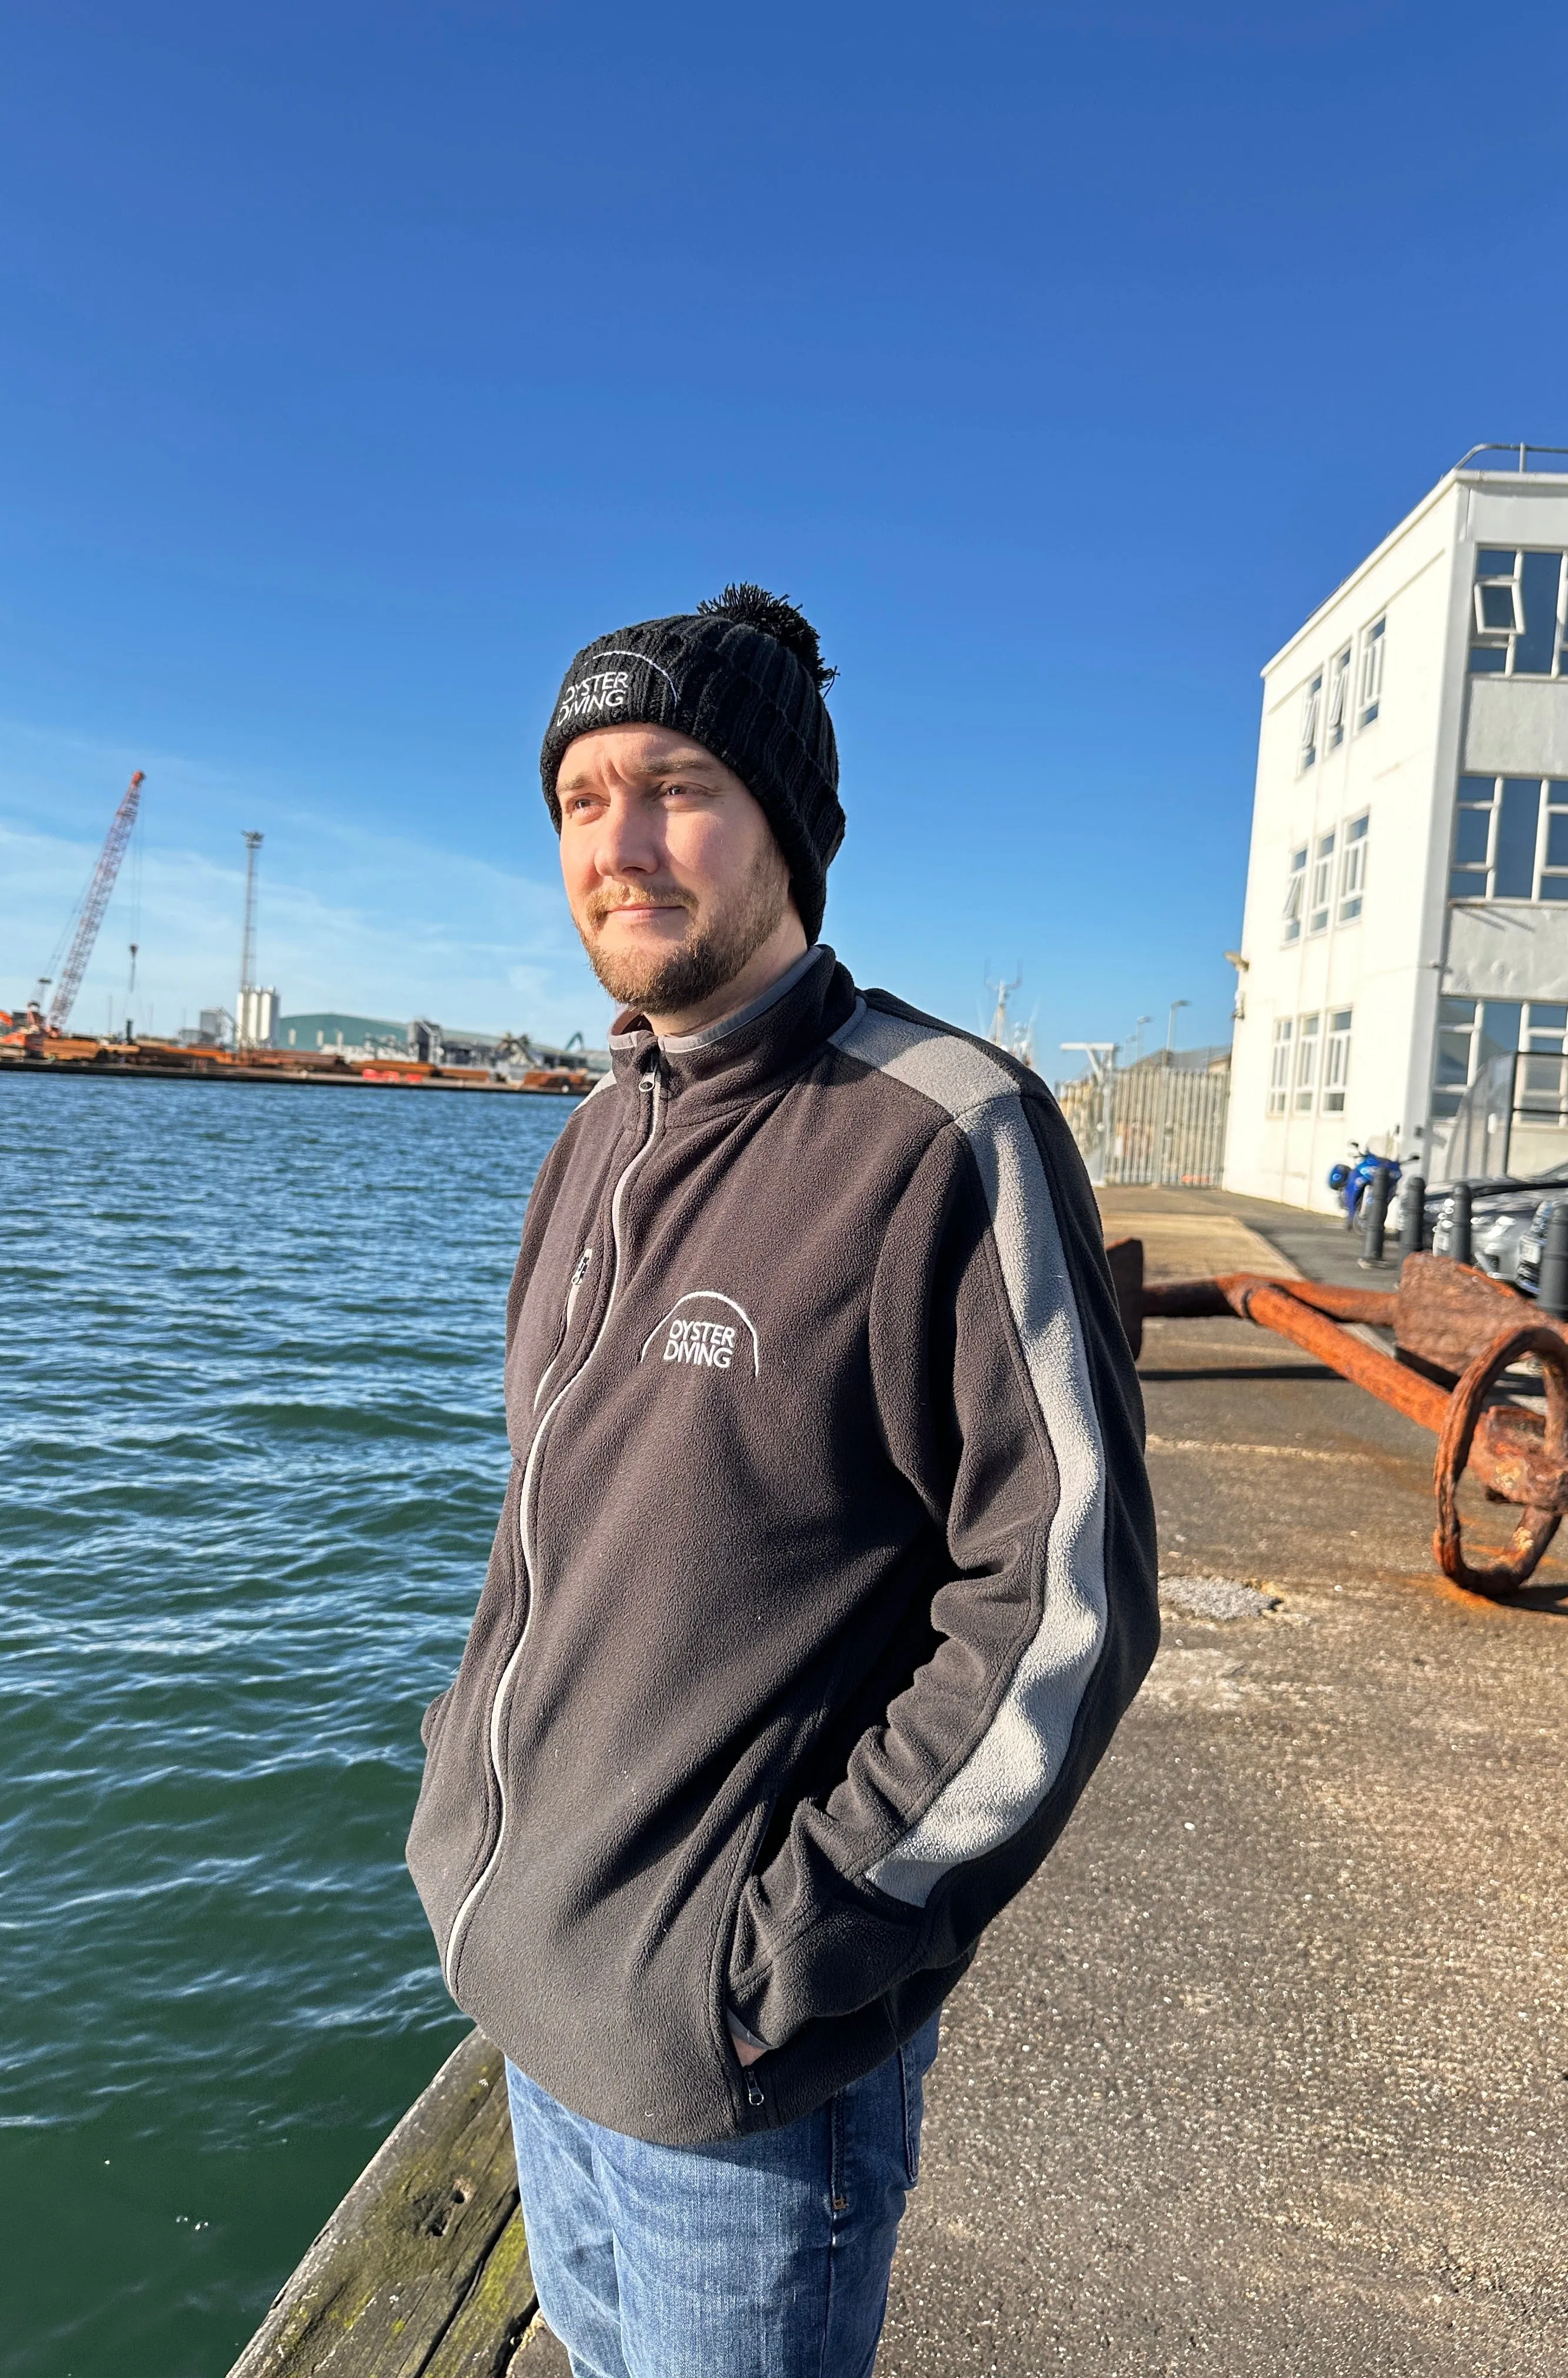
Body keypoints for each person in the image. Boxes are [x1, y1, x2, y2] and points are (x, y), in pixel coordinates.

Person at [407, 584, 1158, 2377]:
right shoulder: (592, 1142)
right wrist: (462, 1830)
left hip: (738, 2094)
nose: (620, 842)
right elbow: (546, 1553)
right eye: (581, 801)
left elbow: (1065, 1594)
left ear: (789, 828)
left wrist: (790, 1944)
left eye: (675, 785)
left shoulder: (938, 1131)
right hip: (535, 2005)